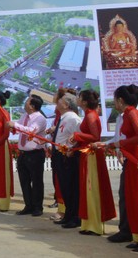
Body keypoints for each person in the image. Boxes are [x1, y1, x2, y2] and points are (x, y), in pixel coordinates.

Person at [94, 85, 138, 252]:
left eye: (115, 100)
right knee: (131, 197)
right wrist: (113, 145)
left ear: (120, 100)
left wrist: (118, 144)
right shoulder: (127, 113)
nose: (114, 103)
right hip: (130, 156)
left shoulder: (132, 113)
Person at [73, 89, 115, 235]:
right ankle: (89, 223)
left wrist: (77, 135)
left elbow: (95, 136)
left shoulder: (91, 115)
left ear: (84, 102)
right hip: (87, 153)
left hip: (91, 153)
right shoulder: (88, 114)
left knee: (92, 188)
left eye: (79, 97)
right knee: (88, 188)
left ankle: (95, 224)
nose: (77, 99)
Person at [8, 94, 48, 217]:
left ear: (32, 106)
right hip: (23, 153)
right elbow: (20, 129)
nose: (25, 103)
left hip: (35, 153)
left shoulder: (40, 118)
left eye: (27, 101)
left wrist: (14, 125)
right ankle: (28, 205)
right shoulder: (24, 116)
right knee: (24, 181)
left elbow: (31, 131)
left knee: (36, 181)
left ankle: (37, 207)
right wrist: (13, 128)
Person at [54, 92, 83, 229]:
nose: (57, 102)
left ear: (66, 104)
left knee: (71, 187)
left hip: (68, 156)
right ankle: (68, 214)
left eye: (59, 100)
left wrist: (71, 149)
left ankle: (75, 216)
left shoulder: (73, 119)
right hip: (60, 154)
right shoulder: (64, 118)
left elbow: (78, 137)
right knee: (64, 187)